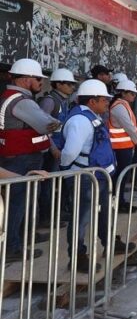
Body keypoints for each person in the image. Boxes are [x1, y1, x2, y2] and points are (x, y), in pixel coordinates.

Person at [60, 80, 134, 273]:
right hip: (84, 177)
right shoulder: (80, 121)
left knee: (104, 212)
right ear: (92, 101)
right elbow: (69, 152)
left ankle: (109, 242)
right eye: (104, 100)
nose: (107, 103)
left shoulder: (93, 116)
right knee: (81, 218)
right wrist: (67, 170)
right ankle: (77, 257)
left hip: (99, 176)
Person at [0, 59, 60, 262]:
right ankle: (12, 247)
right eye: (38, 78)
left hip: (18, 156)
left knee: (21, 201)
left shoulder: (10, 97)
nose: (41, 82)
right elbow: (48, 124)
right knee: (17, 203)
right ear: (26, 80)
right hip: (22, 159)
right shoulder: (22, 101)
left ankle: (22, 236)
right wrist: (56, 123)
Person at [37, 68, 77, 225]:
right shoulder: (50, 101)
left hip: (60, 148)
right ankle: (46, 218)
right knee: (47, 184)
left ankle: (56, 213)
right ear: (58, 84)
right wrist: (53, 148)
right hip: (50, 150)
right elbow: (41, 126)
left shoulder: (63, 101)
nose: (72, 87)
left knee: (56, 183)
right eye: (69, 84)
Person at [109, 80, 137, 213]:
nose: (134, 96)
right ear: (123, 93)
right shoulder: (119, 106)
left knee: (123, 176)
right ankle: (117, 202)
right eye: (132, 93)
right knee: (120, 176)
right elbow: (128, 125)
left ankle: (120, 201)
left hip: (125, 146)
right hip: (120, 147)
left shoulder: (123, 105)